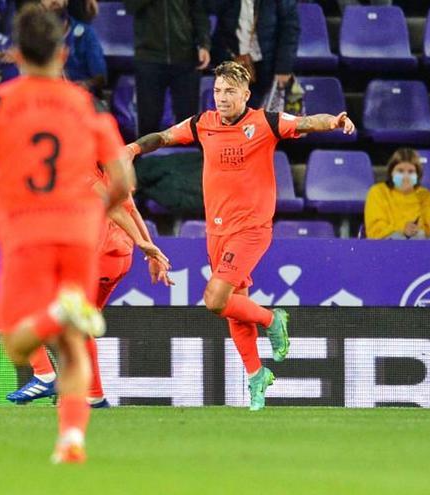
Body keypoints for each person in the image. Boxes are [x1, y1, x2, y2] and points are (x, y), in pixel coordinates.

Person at [0, 5, 133, 463]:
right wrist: (99, 212)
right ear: (64, 51)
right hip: (76, 231)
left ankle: (56, 312)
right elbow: (123, 177)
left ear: (15, 53)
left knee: (16, 342)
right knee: (74, 343)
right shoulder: (87, 104)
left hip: (25, 231)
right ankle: (71, 439)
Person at [126, 61, 356, 411]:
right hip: (216, 231)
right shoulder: (204, 124)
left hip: (251, 229)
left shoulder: (265, 122)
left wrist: (334, 121)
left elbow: (307, 123)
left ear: (245, 94)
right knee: (236, 311)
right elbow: (165, 136)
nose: (222, 97)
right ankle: (256, 376)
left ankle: (273, 318)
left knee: (215, 300)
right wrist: (132, 150)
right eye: (218, 91)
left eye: (230, 91)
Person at [7, 169, 174, 408]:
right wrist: (150, 251)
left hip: (96, 256)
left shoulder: (82, 164)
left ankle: (44, 375)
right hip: (118, 258)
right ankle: (94, 397)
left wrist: (143, 244)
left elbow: (114, 208)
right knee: (80, 327)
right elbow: (132, 208)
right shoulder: (116, 161)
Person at [125, 0, 211, 135]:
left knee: (188, 122)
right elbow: (130, 6)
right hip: (149, 57)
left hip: (186, 56)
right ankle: (146, 156)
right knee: (148, 122)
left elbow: (199, 13)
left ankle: (189, 155)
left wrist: (204, 44)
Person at [211, 0, 300, 106]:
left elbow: (289, 31)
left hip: (266, 66)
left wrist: (284, 68)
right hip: (231, 63)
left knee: (261, 115)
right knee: (230, 115)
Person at [364, 148, 430, 240]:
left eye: (411, 171)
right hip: (384, 242)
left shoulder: (425, 195)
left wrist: (410, 231)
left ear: (418, 174)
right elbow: (375, 229)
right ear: (391, 172)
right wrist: (402, 229)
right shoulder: (377, 192)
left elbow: (426, 230)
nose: (405, 176)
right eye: (400, 171)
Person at [41, 0, 107, 93]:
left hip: (79, 97)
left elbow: (101, 78)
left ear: (66, 1)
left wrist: (86, 84)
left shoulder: (86, 33)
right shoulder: (33, 36)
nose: (54, 1)